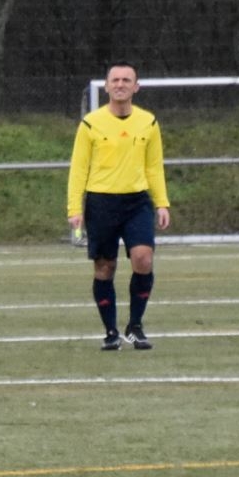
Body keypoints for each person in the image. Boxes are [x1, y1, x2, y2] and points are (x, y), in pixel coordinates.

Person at [66, 62, 170, 351]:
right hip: (101, 203)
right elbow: (79, 168)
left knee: (143, 259)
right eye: (115, 80)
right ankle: (111, 332)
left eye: (126, 80)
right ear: (107, 86)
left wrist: (162, 203)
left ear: (136, 87)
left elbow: (154, 166)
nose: (120, 84)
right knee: (104, 267)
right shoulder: (90, 124)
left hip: (137, 202)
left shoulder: (148, 122)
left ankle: (135, 326)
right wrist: (74, 209)